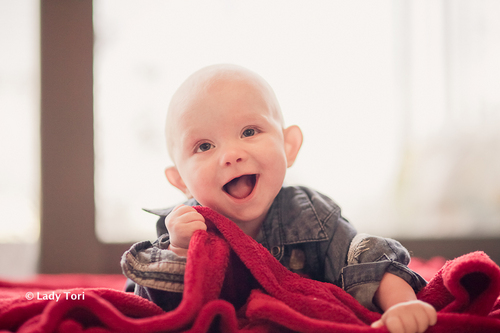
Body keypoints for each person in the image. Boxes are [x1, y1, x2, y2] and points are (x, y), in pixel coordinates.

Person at [122, 64, 437, 333]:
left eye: (249, 132)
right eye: (204, 146)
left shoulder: (310, 216)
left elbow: (365, 258)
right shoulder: (181, 232)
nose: (231, 155)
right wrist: (178, 252)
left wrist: (402, 305)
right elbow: (149, 306)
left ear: (289, 147)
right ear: (180, 180)